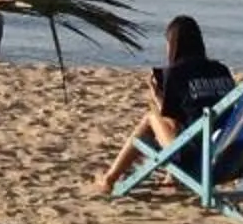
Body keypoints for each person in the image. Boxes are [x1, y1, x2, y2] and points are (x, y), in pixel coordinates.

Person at [96, 15, 234, 191]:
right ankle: (171, 176)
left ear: (173, 43)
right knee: (191, 123)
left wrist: (157, 97)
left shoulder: (175, 73)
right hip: (229, 153)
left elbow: (172, 122)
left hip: (197, 157)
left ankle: (109, 179)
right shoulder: (221, 70)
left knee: (151, 117)